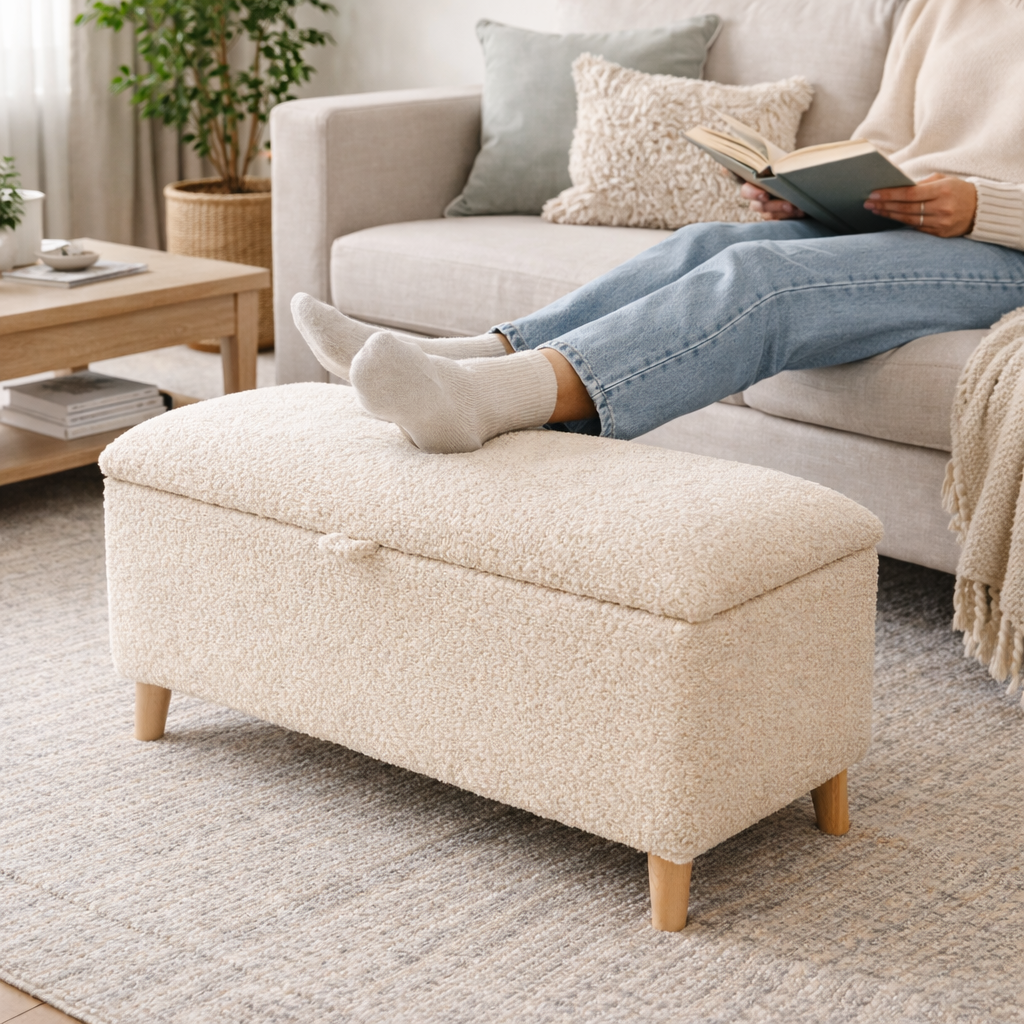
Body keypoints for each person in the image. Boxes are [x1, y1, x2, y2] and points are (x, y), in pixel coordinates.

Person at [291, 0, 1024, 454]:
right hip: (904, 220)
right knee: (705, 243)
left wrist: (982, 207)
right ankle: (469, 354)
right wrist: (816, 192)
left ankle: (483, 401)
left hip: (1001, 250)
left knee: (762, 281)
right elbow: (886, 138)